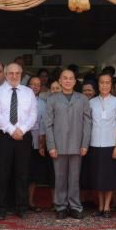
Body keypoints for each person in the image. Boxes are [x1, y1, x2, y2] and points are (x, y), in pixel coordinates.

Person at [0, 63, 37, 220]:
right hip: (4, 136)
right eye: (11, 73)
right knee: (2, 172)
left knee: (22, 173)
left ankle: (21, 206)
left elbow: (33, 115)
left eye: (17, 73)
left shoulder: (28, 92)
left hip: (23, 136)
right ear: (5, 74)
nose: (14, 76)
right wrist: (11, 130)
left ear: (21, 74)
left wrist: (21, 130)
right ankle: (1, 207)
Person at [45, 69, 92, 219]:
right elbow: (48, 124)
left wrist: (85, 144)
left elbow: (87, 123)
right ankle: (61, 206)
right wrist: (51, 146)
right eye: (64, 78)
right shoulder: (52, 99)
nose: (67, 81)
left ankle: (75, 207)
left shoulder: (82, 99)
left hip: (77, 144)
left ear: (75, 81)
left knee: (74, 178)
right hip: (58, 145)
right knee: (59, 177)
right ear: (60, 81)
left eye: (71, 78)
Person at [88, 73, 116, 217]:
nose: (104, 85)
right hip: (95, 144)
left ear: (111, 85)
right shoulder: (91, 102)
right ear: (98, 85)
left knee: (109, 177)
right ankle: (100, 206)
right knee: (98, 177)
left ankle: (107, 206)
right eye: (102, 82)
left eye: (107, 82)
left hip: (111, 144)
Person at [26, 76, 52, 212]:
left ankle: (30, 201)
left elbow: (44, 123)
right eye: (32, 84)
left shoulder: (43, 103)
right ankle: (19, 201)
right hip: (21, 139)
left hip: (37, 141)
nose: (35, 87)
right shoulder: (21, 100)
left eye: (38, 84)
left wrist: (42, 144)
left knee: (33, 173)